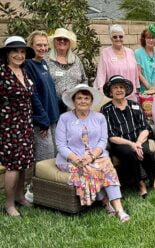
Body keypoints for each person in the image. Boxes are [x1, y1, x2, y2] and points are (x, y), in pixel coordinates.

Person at [55, 84, 130, 222]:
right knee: (91, 169)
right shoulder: (64, 118)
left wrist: (91, 156)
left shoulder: (99, 117)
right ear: (74, 101)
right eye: (79, 98)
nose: (83, 101)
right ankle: (105, 201)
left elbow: (103, 140)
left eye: (86, 98)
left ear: (91, 101)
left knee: (106, 167)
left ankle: (119, 209)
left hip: (96, 155)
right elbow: (60, 145)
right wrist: (77, 159)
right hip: (69, 159)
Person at [101, 75, 155, 197]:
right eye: (115, 87)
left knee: (147, 152)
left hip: (138, 139)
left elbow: (145, 128)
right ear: (111, 91)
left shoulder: (135, 105)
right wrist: (131, 145)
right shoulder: (106, 109)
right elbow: (111, 136)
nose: (119, 90)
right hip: (120, 142)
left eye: (121, 87)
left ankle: (153, 179)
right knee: (130, 154)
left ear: (126, 89)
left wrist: (138, 143)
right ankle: (140, 183)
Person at [0, 36, 37, 217]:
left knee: (24, 164)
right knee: (13, 165)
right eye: (15, 51)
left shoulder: (24, 71)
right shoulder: (2, 73)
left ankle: (20, 196)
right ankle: (9, 204)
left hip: (25, 124)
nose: (19, 55)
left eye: (22, 52)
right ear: (7, 54)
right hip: (9, 127)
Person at [25, 31, 60, 161]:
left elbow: (49, 90)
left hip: (52, 117)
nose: (43, 48)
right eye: (39, 45)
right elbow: (32, 95)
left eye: (45, 45)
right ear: (31, 46)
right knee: (45, 155)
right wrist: (42, 119)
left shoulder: (43, 63)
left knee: (56, 152)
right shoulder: (28, 65)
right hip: (41, 121)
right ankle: (35, 181)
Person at [46, 28, 87, 113]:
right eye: (59, 39)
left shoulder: (76, 60)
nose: (62, 41)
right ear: (54, 42)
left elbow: (84, 79)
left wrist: (82, 97)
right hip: (53, 106)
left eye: (65, 39)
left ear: (69, 43)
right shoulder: (46, 60)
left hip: (74, 106)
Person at [94, 24, 139, 101]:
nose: (118, 39)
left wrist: (137, 88)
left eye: (120, 36)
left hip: (130, 94)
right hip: (114, 96)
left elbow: (135, 72)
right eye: (115, 37)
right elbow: (101, 74)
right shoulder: (105, 53)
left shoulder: (130, 52)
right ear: (111, 38)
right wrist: (101, 91)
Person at [135, 24, 155, 93]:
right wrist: (149, 87)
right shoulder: (138, 53)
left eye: (153, 38)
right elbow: (138, 73)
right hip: (144, 89)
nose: (151, 40)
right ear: (144, 39)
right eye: (148, 38)